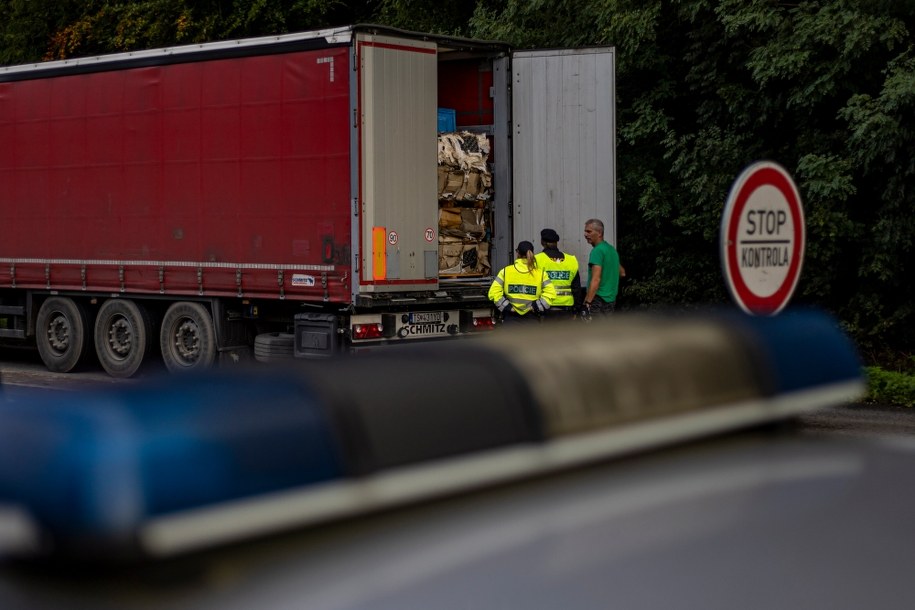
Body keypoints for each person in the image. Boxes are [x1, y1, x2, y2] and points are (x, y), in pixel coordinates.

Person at [489, 240, 556, 325]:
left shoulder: (505, 271)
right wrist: (535, 307)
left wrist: (508, 307)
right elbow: (551, 294)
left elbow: (493, 293)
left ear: (517, 253)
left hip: (510, 320)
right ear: (532, 253)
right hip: (532, 320)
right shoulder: (541, 274)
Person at [535, 228, 581, 320]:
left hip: (544, 308)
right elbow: (576, 288)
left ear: (542, 242)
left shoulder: (537, 259)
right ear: (557, 242)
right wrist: (577, 309)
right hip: (566, 309)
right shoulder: (571, 260)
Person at [582, 218, 620, 318]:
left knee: (594, 332)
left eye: (589, 231)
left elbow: (596, 279)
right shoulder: (611, 250)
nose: (585, 235)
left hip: (597, 300)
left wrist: (587, 303)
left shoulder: (597, 251)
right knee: (605, 331)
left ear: (599, 233)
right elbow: (622, 272)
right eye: (585, 231)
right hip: (611, 300)